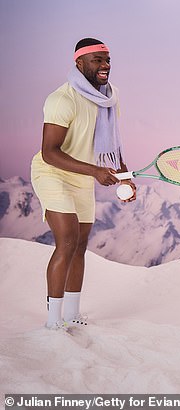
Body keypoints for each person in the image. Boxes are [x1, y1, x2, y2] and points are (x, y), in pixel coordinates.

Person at [30, 38, 136, 331]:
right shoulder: (62, 99)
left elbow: (111, 141)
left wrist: (124, 175)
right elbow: (50, 152)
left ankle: (72, 314)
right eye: (97, 61)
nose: (105, 66)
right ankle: (53, 320)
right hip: (52, 172)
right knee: (66, 241)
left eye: (108, 60)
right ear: (79, 63)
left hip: (83, 175)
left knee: (80, 245)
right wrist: (95, 170)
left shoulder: (110, 96)